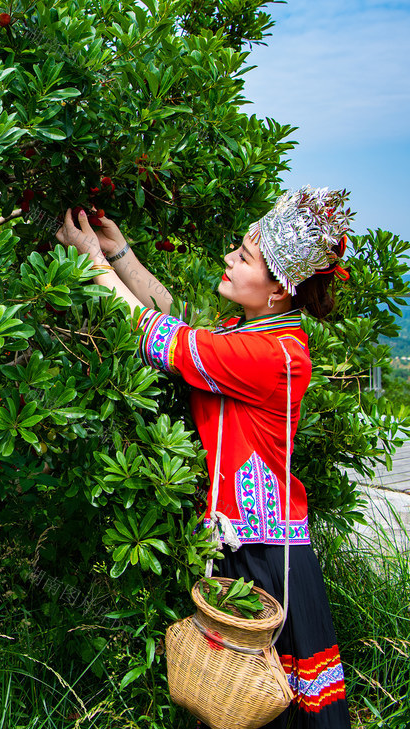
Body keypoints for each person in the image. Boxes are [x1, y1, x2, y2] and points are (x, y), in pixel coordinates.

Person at [55, 187, 352, 728]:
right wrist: (122, 256)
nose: (230, 260)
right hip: (246, 545)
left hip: (266, 557)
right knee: (239, 700)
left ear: (280, 288)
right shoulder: (260, 335)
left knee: (268, 704)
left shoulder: (274, 354)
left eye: (244, 257)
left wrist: (94, 263)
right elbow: (179, 324)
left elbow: (165, 340)